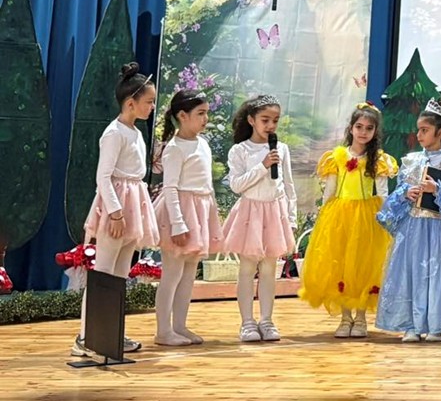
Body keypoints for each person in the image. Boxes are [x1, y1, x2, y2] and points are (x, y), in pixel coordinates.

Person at [72, 63, 159, 357]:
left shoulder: (135, 132)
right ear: (130, 102)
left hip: (133, 203)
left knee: (120, 275)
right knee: (104, 273)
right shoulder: (113, 133)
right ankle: (86, 336)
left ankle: (111, 334)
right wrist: (116, 213)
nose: (152, 107)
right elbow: (103, 177)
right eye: (149, 102)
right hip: (117, 208)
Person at [377, 98, 441, 342]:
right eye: (418, 130)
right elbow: (398, 192)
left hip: (438, 228)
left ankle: (435, 325)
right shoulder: (411, 161)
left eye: (425, 130)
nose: (419, 135)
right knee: (410, 271)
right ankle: (410, 325)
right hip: (413, 227)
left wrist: (438, 190)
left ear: (440, 132)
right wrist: (406, 193)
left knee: (436, 272)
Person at [299, 102, 398, 338]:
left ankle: (361, 318)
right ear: (351, 128)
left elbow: (383, 193)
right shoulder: (337, 157)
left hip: (367, 217)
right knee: (341, 265)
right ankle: (345, 318)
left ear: (375, 132)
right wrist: (324, 216)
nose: (363, 132)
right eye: (359, 126)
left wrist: (386, 217)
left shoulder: (378, 159)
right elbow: (330, 189)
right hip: (340, 216)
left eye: (369, 128)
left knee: (364, 266)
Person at [222, 94, 298, 343]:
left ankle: (266, 320)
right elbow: (237, 185)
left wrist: (292, 218)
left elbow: (288, 186)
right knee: (247, 269)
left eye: (275, 120)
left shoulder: (281, 149)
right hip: (250, 213)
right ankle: (247, 322)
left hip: (275, 213)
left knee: (269, 270)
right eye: (265, 120)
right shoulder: (240, 150)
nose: (271, 125)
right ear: (251, 120)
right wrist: (263, 166)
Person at [152, 89, 222, 347]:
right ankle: (163, 330)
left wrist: (212, 214)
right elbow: (170, 187)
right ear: (182, 115)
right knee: (171, 274)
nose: (205, 119)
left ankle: (179, 325)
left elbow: (207, 184)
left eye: (206, 113)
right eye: (200, 113)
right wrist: (178, 223)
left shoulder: (202, 144)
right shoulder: (174, 148)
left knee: (189, 273)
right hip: (180, 212)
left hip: (199, 211)